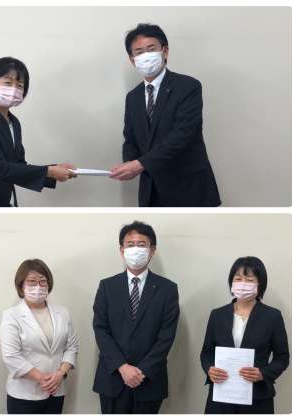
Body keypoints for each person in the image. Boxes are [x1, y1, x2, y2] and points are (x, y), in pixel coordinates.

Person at [110, 24, 221, 207]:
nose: (146, 55)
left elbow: (182, 135)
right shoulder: (133, 97)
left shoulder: (188, 86)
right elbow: (130, 138)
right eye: (139, 52)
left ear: (165, 51)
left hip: (189, 188)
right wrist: (128, 163)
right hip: (151, 191)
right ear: (132, 60)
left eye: (151, 49)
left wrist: (139, 165)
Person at [0, 56, 76, 207]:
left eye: (20, 85)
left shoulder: (14, 122)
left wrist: (56, 170)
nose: (14, 89)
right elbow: (0, 169)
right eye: (8, 83)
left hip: (6, 203)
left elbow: (18, 166)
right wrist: (49, 171)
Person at [92, 221, 180, 414]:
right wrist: (123, 367)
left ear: (152, 250)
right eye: (130, 244)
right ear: (121, 250)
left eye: (141, 244)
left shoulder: (168, 289)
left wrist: (142, 371)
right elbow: (100, 329)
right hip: (113, 378)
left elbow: (166, 336)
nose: (135, 249)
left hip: (149, 380)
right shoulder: (107, 286)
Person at [200, 256, 290, 414]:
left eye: (249, 280)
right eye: (238, 279)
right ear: (231, 282)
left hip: (257, 398)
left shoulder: (272, 316)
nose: (243, 284)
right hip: (221, 396)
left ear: (260, 284)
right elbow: (206, 352)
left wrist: (263, 374)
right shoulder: (217, 315)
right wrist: (209, 369)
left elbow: (282, 357)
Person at [0, 259, 78, 414]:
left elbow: (72, 346)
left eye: (43, 281)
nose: (38, 286)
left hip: (56, 390)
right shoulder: (11, 315)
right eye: (32, 281)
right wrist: (42, 378)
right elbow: (11, 356)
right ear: (21, 285)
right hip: (24, 394)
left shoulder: (62, 312)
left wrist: (60, 374)